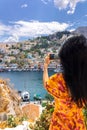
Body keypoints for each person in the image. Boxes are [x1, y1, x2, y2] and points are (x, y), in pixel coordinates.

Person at [43, 35, 87, 130]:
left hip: (59, 124)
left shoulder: (58, 80)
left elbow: (46, 84)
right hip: (78, 124)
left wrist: (45, 67)